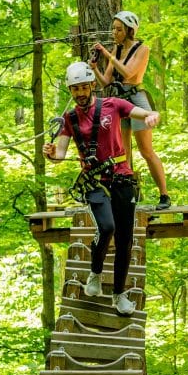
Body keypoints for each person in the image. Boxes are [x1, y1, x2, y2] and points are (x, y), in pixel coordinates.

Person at [44, 61, 161, 316]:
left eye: (84, 88)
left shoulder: (112, 105)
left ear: (92, 86)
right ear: (71, 91)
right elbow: (61, 153)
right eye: (75, 90)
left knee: (125, 239)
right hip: (94, 181)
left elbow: (137, 112)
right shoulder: (70, 118)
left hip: (122, 177)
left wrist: (151, 115)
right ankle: (95, 273)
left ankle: (119, 294)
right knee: (106, 227)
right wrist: (52, 154)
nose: (80, 94)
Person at [90, 10, 171, 210]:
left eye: (119, 29)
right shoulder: (116, 50)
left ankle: (164, 195)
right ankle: (127, 196)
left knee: (145, 150)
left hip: (136, 100)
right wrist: (94, 69)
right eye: (114, 29)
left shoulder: (142, 49)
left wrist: (108, 54)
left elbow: (129, 73)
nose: (114, 33)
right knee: (123, 154)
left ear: (129, 30)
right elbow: (106, 82)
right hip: (120, 103)